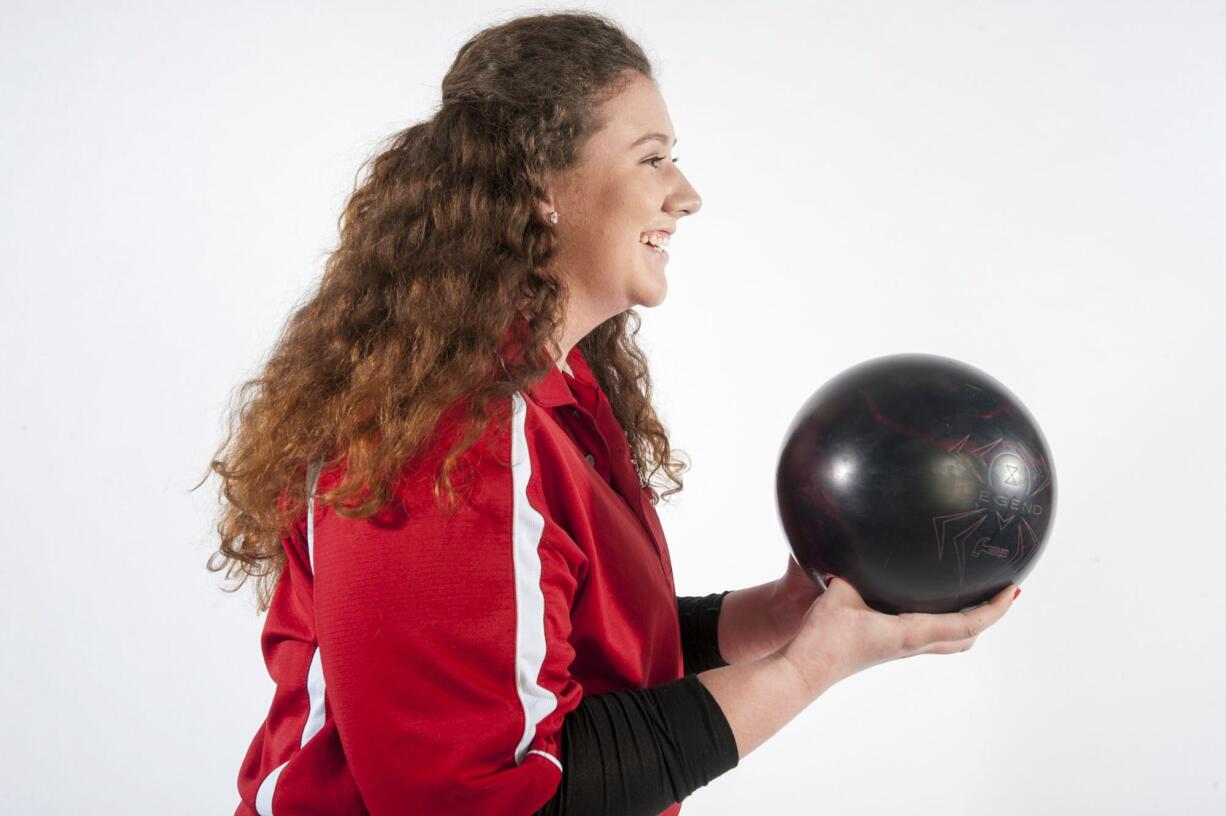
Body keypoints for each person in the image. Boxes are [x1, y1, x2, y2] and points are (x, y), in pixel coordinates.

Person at [204, 11, 1019, 816]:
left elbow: (576, 663)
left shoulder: (560, 394)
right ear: (543, 186)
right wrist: (809, 667)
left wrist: (777, 616)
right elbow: (476, 799)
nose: (687, 194)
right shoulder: (451, 440)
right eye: (653, 158)